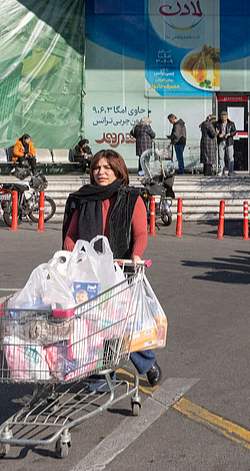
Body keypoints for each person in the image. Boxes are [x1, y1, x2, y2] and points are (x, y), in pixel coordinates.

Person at [62, 149, 162, 387]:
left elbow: (140, 234)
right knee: (95, 324)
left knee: (120, 323)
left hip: (121, 271)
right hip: (90, 273)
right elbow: (71, 236)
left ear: (118, 171)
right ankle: (100, 378)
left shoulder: (131, 198)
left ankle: (147, 363)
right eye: (97, 168)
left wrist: (136, 255)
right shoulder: (83, 199)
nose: (101, 172)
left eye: (107, 168)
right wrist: (68, 258)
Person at [216, 110, 238, 176]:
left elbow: (234, 132)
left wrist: (229, 134)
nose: (224, 119)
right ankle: (221, 171)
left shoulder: (231, 123)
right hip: (221, 142)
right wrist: (218, 135)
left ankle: (230, 171)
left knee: (230, 157)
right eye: (223, 117)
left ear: (227, 117)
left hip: (229, 142)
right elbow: (215, 132)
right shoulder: (218, 123)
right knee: (221, 157)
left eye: (225, 117)